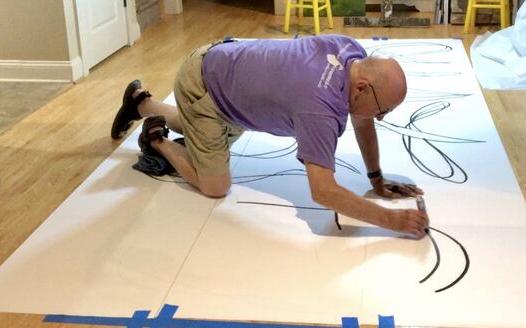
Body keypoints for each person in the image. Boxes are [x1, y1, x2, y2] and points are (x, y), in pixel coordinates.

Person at [111, 34, 429, 238]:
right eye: (383, 109)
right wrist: (391, 221)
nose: (381, 117)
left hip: (222, 69)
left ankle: (141, 103)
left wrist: (376, 178)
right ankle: (155, 139)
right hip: (205, 86)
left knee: (200, 126)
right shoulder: (318, 107)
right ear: (362, 87)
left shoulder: (350, 53)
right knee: (215, 185)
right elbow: (323, 191)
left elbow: (363, 121)